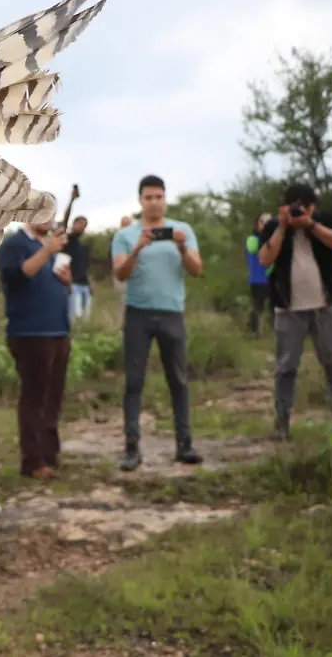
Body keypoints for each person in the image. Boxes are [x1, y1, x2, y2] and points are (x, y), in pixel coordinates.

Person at [112, 175, 203, 471]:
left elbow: (197, 270)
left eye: (158, 197)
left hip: (171, 313)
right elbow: (120, 274)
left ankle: (184, 444)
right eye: (148, 197)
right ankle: (131, 448)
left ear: (165, 199)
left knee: (178, 380)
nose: (154, 202)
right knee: (134, 382)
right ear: (140, 201)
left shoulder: (183, 230)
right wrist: (138, 247)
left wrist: (181, 248)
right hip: (138, 314)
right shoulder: (126, 235)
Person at [257, 183, 332, 440]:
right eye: (294, 206)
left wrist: (310, 225)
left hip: (326, 305)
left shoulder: (323, 221)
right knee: (285, 367)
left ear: (313, 207)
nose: (300, 211)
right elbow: (265, 259)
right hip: (289, 309)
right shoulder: (274, 226)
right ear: (284, 207)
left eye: (305, 206)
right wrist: (283, 226)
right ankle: (282, 423)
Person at [0, 220, 72, 479]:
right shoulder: (14, 244)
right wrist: (47, 251)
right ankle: (32, 461)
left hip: (58, 330)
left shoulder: (49, 245)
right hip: (29, 332)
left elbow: (57, 286)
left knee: (53, 396)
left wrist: (68, 281)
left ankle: (50, 453)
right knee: (34, 397)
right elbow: (16, 276)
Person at [246, 213, 274, 336]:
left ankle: (275, 331)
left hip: (273, 278)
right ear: (257, 225)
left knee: (275, 307)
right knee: (258, 306)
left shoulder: (276, 239)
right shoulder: (252, 239)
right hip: (258, 279)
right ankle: (253, 331)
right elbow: (253, 249)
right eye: (263, 221)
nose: (266, 224)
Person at [64, 216, 93, 320]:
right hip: (73, 285)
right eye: (80, 224)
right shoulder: (66, 240)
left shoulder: (82, 246)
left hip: (85, 285)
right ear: (73, 224)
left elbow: (85, 267)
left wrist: (90, 283)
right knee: (75, 316)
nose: (82, 228)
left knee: (86, 317)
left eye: (84, 226)